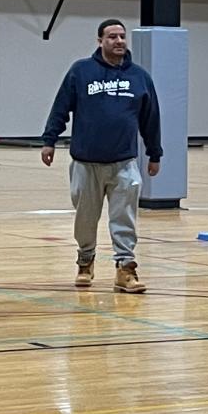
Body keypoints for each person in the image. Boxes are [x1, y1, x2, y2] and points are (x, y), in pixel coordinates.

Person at [40, 18, 162, 294]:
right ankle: (85, 260)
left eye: (122, 37)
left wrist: (155, 153)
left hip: (124, 162)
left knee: (125, 218)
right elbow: (61, 108)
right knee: (85, 218)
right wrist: (49, 140)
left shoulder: (140, 77)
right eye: (112, 37)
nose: (119, 41)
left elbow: (151, 118)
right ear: (100, 41)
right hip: (86, 162)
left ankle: (125, 268)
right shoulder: (81, 71)